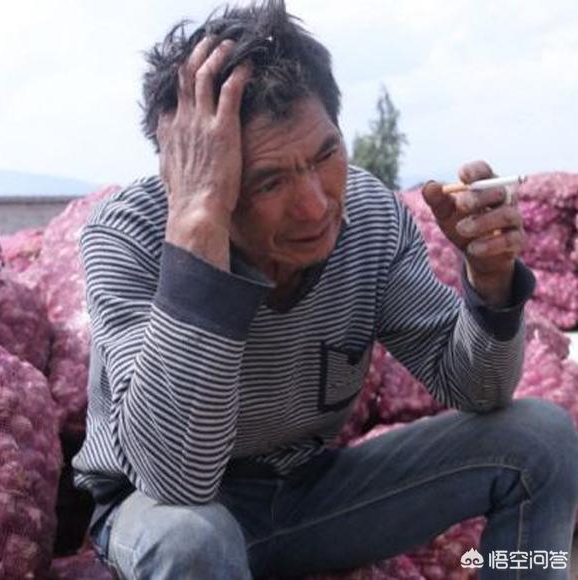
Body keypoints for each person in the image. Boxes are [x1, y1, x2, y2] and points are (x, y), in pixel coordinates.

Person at [72, 1, 578, 578]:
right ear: (195, 172)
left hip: (304, 496)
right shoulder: (130, 236)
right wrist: (198, 229)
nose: (315, 207)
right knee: (193, 541)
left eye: (326, 154)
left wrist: (491, 284)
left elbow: (476, 387)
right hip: (160, 511)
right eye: (268, 182)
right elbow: (175, 479)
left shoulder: (366, 217)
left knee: (539, 440)